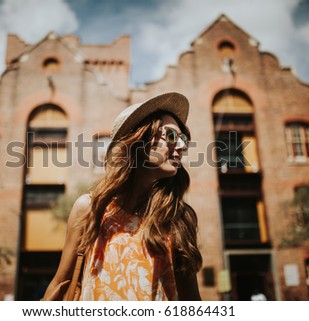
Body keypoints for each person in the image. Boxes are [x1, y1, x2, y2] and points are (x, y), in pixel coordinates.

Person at [41, 92, 202, 301]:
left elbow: (192, 300)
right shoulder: (90, 209)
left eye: (183, 139)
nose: (181, 146)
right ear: (139, 141)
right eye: (171, 136)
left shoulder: (178, 218)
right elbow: (60, 283)